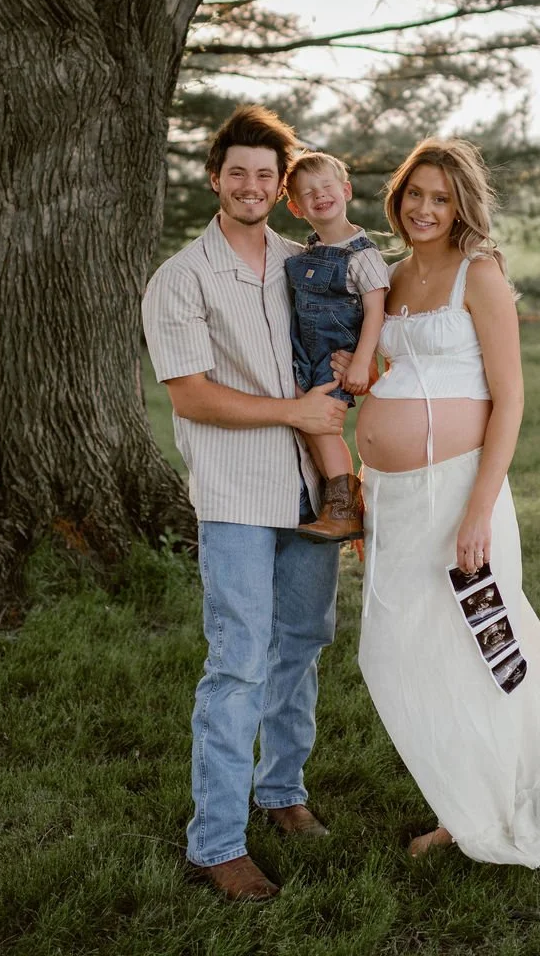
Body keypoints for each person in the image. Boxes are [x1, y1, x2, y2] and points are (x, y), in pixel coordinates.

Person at [349, 138, 540, 869]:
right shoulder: (392, 277)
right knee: (400, 651)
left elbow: (511, 396)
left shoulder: (480, 276)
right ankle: (458, 792)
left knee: (473, 647)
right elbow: (403, 373)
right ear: (398, 197)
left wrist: (479, 511)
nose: (425, 208)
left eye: (441, 198)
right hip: (392, 496)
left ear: (460, 206)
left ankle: (477, 814)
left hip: (459, 490)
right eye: (415, 194)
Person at [142, 105, 348, 903]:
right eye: (238, 173)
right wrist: (294, 411)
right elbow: (191, 397)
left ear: (282, 185)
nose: (252, 185)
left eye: (267, 174)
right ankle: (216, 842)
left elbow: (343, 350)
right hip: (234, 494)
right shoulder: (181, 278)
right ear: (215, 179)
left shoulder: (307, 263)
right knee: (237, 665)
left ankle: (282, 792)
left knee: (300, 645)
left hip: (311, 487)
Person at [284, 151, 390, 542]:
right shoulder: (306, 252)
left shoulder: (363, 255)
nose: (319, 195)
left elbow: (376, 312)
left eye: (327, 186)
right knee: (306, 423)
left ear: (345, 190)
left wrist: (362, 362)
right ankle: (333, 498)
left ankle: (345, 508)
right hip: (303, 353)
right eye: (308, 192)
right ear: (296, 208)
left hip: (336, 356)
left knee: (324, 428)